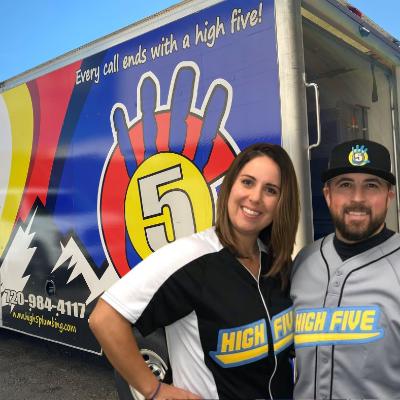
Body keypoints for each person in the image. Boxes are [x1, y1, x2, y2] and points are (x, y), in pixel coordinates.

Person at [89, 142, 300, 399]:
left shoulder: (275, 264)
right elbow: (105, 318)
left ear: (282, 203)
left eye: (270, 190)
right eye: (247, 182)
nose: (255, 197)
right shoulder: (191, 257)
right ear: (230, 186)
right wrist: (154, 389)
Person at [291, 139, 399, 399]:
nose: (357, 198)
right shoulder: (304, 262)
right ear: (328, 194)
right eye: (345, 185)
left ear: (389, 195)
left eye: (371, 185)